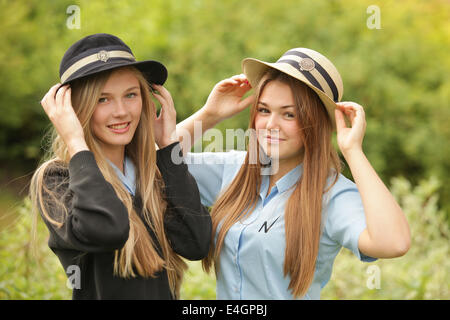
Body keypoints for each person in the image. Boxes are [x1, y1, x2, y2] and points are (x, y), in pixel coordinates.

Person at [175, 47, 411, 299]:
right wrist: (209, 116)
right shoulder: (235, 170)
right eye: (264, 110)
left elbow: (394, 243)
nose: (271, 125)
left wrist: (353, 151)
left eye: (289, 114)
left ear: (315, 122)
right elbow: (154, 163)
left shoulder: (331, 194)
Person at [30, 33, 212, 300]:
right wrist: (75, 142)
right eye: (102, 99)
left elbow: (196, 244)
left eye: (130, 95)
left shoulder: (151, 172)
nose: (121, 112)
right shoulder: (58, 179)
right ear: (75, 110)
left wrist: (168, 147)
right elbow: (108, 230)